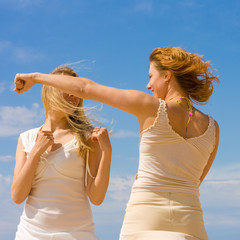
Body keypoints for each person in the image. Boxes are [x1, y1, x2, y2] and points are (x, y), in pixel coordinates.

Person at [14, 47, 220, 240]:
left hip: (145, 216)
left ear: (167, 75)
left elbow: (85, 88)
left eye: (151, 76)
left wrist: (34, 78)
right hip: (191, 219)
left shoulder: (150, 107)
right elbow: (194, 182)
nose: (148, 85)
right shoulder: (213, 128)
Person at [12, 66, 112, 240]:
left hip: (78, 235)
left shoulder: (87, 138)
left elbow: (96, 198)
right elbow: (18, 196)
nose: (73, 94)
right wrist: (36, 151)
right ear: (50, 89)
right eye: (67, 88)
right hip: (30, 235)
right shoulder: (26, 138)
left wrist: (107, 152)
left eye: (76, 89)